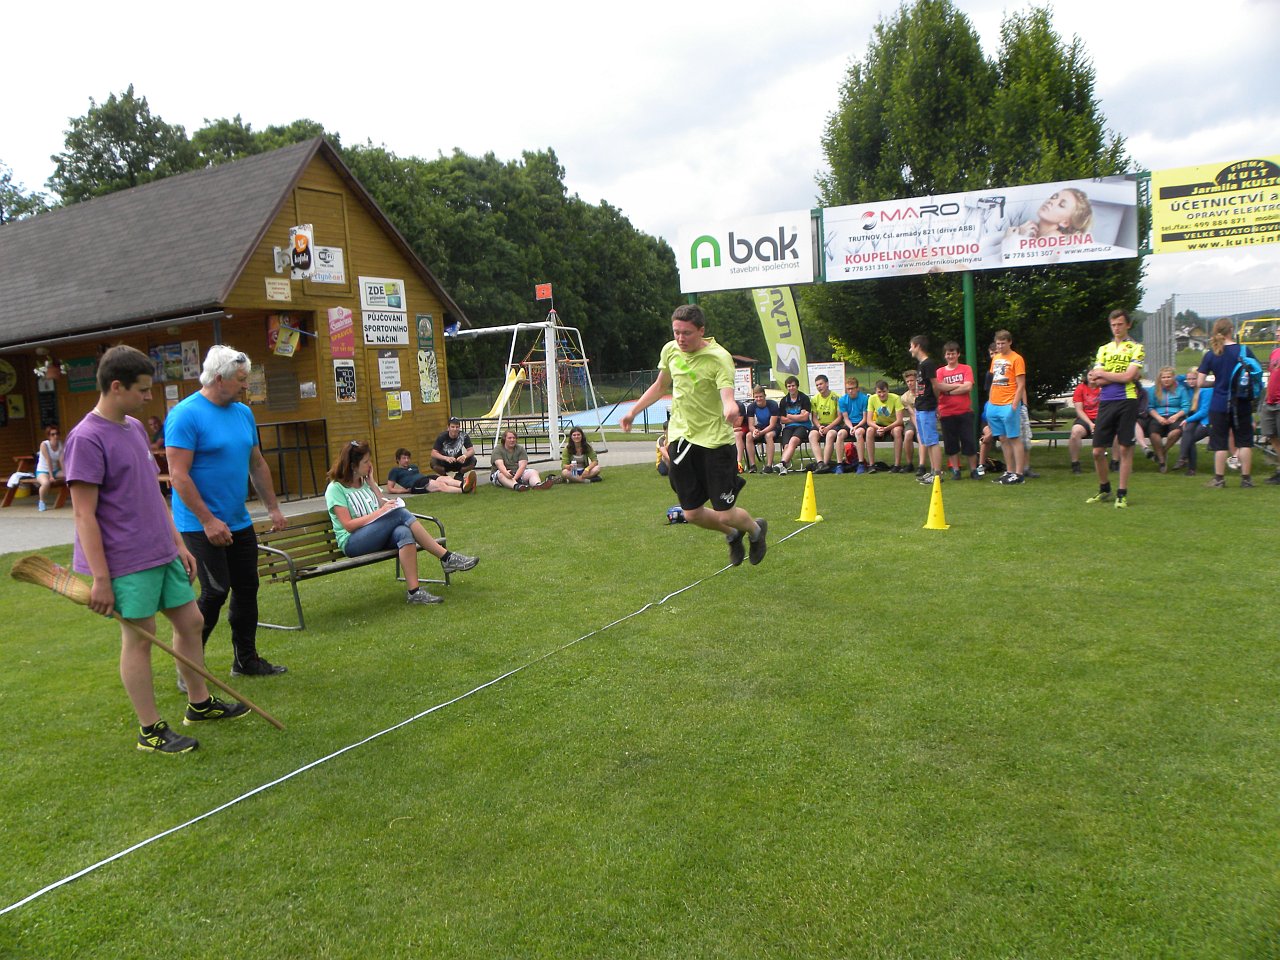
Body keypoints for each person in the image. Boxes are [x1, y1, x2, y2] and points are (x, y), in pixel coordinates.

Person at [65, 345, 248, 754]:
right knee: (141, 637)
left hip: (160, 550)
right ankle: (149, 729)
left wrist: (178, 544)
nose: (149, 397)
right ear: (117, 386)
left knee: (191, 621)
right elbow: (83, 515)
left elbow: (153, 493)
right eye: (143, 389)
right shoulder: (86, 438)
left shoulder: (132, 428)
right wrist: (100, 579)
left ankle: (199, 703)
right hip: (125, 559)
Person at [166, 345, 287, 679]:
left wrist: (273, 507)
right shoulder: (185, 415)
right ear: (219, 378)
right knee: (215, 592)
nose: (246, 386)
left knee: (247, 588)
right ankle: (189, 670)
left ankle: (245, 661)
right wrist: (208, 520)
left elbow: (256, 463)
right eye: (241, 379)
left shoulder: (243, 413)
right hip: (199, 524)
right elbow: (178, 475)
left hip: (237, 520)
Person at [620, 303, 767, 567]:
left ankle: (756, 531)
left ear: (701, 331)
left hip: (715, 442)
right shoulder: (670, 350)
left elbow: (727, 395)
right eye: (676, 332)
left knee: (725, 513)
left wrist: (730, 407)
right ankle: (733, 535)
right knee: (691, 514)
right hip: (682, 439)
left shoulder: (719, 358)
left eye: (686, 333)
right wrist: (633, 412)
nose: (680, 338)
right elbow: (660, 386)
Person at [326, 440, 478, 605]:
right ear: (352, 466)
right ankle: (446, 557)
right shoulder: (336, 488)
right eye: (366, 462)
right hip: (352, 542)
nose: (370, 465)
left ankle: (414, 592)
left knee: (403, 532)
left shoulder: (364, 483)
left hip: (374, 535)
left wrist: (372, 484)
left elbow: (382, 505)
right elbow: (348, 525)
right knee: (400, 514)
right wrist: (380, 512)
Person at [1086, 309, 1144, 508]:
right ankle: (1104, 489)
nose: (1117, 328)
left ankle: (1122, 493)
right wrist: (1116, 376)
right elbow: (1095, 380)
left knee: (1125, 448)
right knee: (1097, 451)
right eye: (1113, 325)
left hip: (1127, 400)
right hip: (1106, 401)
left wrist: (1106, 375)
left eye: (1120, 324)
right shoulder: (1104, 349)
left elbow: (1128, 377)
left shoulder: (1136, 348)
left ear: (1128, 325)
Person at [1197, 317, 1258, 488]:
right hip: (1241, 402)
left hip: (1219, 403)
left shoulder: (1211, 354)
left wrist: (1216, 383)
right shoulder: (1244, 351)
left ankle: (1219, 479)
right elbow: (1255, 373)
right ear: (1231, 330)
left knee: (1220, 443)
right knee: (1244, 441)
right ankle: (1246, 479)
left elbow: (1200, 382)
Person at [987, 330, 1027, 484]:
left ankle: (1019, 474)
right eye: (998, 343)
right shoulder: (996, 358)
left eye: (1003, 343)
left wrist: (1014, 405)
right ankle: (1009, 471)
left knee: (1014, 438)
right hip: (994, 403)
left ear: (1009, 342)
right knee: (1002, 438)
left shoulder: (1017, 359)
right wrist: (990, 401)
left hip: (1009, 403)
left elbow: (1021, 384)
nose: (1000, 346)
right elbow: (994, 380)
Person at [936, 342, 977, 480]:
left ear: (958, 354)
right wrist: (958, 386)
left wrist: (948, 391)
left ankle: (973, 470)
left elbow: (968, 387)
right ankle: (956, 470)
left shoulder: (966, 368)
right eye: (948, 354)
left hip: (964, 411)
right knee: (951, 444)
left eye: (953, 353)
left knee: (969, 442)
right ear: (944, 355)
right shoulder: (940, 372)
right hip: (946, 412)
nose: (950, 356)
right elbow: (939, 387)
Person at [909, 336, 945, 484]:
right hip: (920, 407)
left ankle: (937, 474)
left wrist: (937, 404)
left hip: (928, 407)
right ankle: (932, 471)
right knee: (926, 441)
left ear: (918, 346)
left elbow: (935, 385)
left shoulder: (928, 364)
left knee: (932, 441)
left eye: (911, 346)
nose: (910, 349)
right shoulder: (921, 365)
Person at [1146, 366, 1191, 472]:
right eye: (1164, 377)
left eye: (1169, 377)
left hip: (1175, 415)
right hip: (1158, 415)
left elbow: (1186, 406)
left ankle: (1162, 452)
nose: (1166, 379)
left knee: (1175, 432)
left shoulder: (1181, 389)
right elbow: (1150, 407)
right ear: (1160, 378)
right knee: (1154, 434)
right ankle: (1162, 462)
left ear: (1173, 377)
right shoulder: (1153, 390)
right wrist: (1158, 417)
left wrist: (1176, 416)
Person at [386, 448, 474, 495]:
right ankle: (463, 490)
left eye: (408, 458)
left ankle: (463, 484)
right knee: (440, 485)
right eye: (404, 458)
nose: (406, 460)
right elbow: (390, 489)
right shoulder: (395, 471)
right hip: (416, 485)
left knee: (445, 478)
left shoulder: (413, 466)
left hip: (424, 479)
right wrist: (403, 491)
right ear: (398, 459)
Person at [862, 380, 905, 473]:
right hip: (879, 425)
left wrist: (886, 429)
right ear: (876, 392)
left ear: (888, 391)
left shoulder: (895, 398)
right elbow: (869, 421)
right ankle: (871, 465)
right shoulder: (872, 398)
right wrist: (878, 428)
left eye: (884, 391)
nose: (882, 394)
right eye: (879, 392)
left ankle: (897, 465)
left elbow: (899, 420)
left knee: (897, 431)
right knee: (869, 431)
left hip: (893, 424)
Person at [1175, 369, 1212, 476]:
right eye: (1189, 379)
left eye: (1194, 379)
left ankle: (1186, 463)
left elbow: (1204, 412)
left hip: (1207, 421)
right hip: (1195, 419)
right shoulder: (1188, 388)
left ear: (1199, 379)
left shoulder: (1206, 390)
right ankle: (1183, 460)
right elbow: (1176, 379)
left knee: (1189, 439)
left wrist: (1187, 420)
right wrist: (1187, 375)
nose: (1191, 381)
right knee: (1187, 432)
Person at [776, 376, 812, 474]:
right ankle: (783, 468)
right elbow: (782, 420)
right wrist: (798, 416)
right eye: (789, 386)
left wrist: (790, 416)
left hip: (803, 426)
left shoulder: (804, 398)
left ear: (797, 386)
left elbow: (805, 418)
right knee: (786, 446)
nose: (791, 388)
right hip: (788, 427)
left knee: (793, 441)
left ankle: (782, 464)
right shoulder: (784, 401)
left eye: (793, 386)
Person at [1258, 326, 1280, 484]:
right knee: (1271, 434)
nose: (1277, 334)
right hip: (1270, 402)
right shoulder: (1275, 353)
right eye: (1277, 332)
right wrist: (1267, 398)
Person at [807, 374, 842, 472]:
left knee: (830, 435)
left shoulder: (836, 397)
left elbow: (839, 417)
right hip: (821, 425)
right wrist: (819, 427)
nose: (819, 387)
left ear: (827, 384)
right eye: (817, 385)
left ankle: (825, 464)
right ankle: (820, 463)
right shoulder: (815, 399)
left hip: (833, 425)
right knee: (812, 435)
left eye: (821, 384)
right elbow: (814, 418)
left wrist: (828, 428)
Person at [836, 376, 869, 474]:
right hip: (849, 424)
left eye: (852, 388)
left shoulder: (864, 399)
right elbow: (845, 418)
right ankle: (839, 464)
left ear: (857, 388)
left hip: (861, 423)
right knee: (840, 434)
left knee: (858, 433)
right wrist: (851, 427)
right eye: (848, 389)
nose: (850, 391)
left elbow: (865, 418)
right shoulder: (842, 400)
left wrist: (856, 427)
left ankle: (861, 463)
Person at [1068, 376, 1101, 474]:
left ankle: (1115, 463)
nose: (1093, 377)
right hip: (1084, 419)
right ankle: (1075, 464)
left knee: (1118, 431)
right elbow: (1079, 410)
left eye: (1095, 375)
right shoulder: (1080, 388)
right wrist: (1090, 424)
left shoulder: (1104, 388)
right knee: (1075, 432)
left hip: (1102, 418)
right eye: (1090, 375)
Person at [744, 385, 780, 474]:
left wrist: (761, 433)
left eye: (760, 396)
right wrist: (754, 431)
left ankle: (769, 466)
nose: (758, 399)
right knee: (748, 436)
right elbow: (751, 425)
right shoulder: (751, 407)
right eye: (756, 397)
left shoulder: (772, 404)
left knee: (768, 436)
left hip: (774, 427)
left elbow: (772, 425)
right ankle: (753, 465)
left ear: (765, 396)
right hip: (760, 426)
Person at [34, 425, 63, 512]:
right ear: (48, 436)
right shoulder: (44, 444)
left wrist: (66, 472)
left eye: (57, 434)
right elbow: (48, 460)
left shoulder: (60, 444)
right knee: (46, 483)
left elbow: (62, 460)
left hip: (55, 470)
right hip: (42, 471)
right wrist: (51, 476)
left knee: (71, 476)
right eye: (52, 434)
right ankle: (41, 502)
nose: (55, 436)